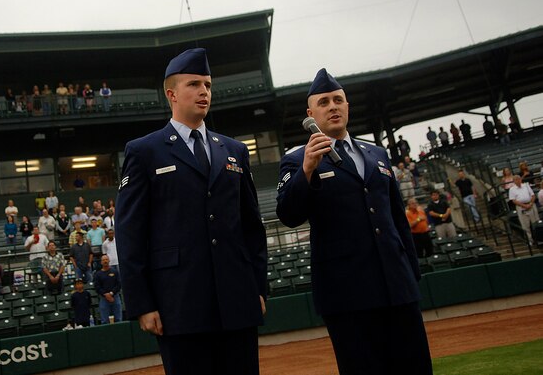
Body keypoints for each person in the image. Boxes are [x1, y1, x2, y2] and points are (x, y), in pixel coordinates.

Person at [116, 48, 267, 375]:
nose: (204, 92)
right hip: (179, 303)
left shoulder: (234, 150)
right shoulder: (144, 151)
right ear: (171, 94)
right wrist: (143, 303)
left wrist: (257, 286)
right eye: (195, 84)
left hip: (237, 299)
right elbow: (130, 233)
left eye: (208, 85)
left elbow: (251, 226)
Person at [275, 68, 431, 375]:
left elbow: (398, 219)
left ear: (347, 106)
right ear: (311, 113)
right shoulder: (297, 159)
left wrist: (410, 273)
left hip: (397, 287)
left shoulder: (378, 154)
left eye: (338, 100)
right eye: (324, 102)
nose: (332, 106)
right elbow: (288, 215)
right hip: (347, 294)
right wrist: (307, 171)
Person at [508, 175, 537, 246]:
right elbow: (513, 200)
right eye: (516, 180)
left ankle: (538, 239)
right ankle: (530, 241)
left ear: (521, 179)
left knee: (536, 223)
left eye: (519, 179)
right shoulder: (512, 189)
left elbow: (533, 195)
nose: (518, 181)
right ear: (514, 181)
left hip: (531, 205)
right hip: (521, 207)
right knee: (525, 225)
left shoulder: (526, 186)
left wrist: (530, 204)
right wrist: (524, 206)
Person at [93, 254, 122, 324]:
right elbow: (97, 287)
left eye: (106, 259)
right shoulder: (98, 274)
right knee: (104, 321)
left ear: (109, 260)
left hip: (115, 297)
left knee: (118, 319)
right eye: (103, 260)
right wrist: (106, 295)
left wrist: (112, 293)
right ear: (101, 262)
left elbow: (119, 284)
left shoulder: (114, 271)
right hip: (103, 299)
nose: (105, 261)